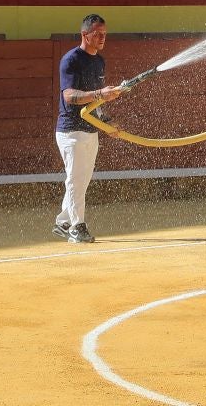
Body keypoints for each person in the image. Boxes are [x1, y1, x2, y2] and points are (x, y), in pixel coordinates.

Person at [54, 14, 124, 244]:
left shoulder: (99, 61)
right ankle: (77, 226)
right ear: (85, 35)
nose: (103, 38)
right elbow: (70, 96)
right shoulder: (70, 60)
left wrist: (108, 122)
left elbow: (97, 105)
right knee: (76, 179)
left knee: (82, 179)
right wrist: (99, 93)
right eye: (98, 34)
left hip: (90, 129)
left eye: (105, 34)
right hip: (70, 130)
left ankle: (63, 221)